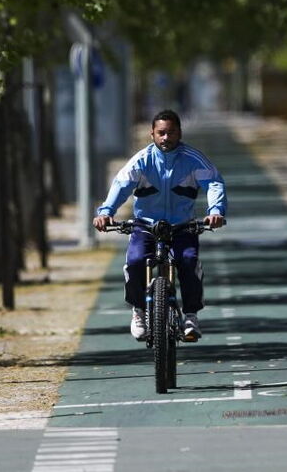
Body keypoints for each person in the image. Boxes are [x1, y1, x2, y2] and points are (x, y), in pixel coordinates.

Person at [93, 109, 227, 342]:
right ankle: (138, 311)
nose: (166, 138)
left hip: (182, 226)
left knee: (188, 262)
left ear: (180, 133)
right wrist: (106, 213)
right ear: (152, 134)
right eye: (161, 133)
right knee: (134, 261)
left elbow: (214, 183)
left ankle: (191, 315)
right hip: (145, 226)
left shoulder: (193, 160)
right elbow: (120, 186)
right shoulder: (141, 161)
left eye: (171, 133)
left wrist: (215, 211)